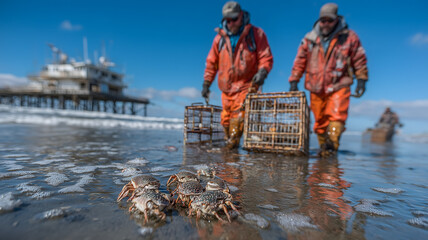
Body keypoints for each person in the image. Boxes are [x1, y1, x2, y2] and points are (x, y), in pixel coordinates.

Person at [288, 3, 368, 156]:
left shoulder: (349, 37)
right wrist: (294, 80)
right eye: (323, 20)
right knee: (319, 121)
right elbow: (300, 60)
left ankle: (332, 146)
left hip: (339, 84)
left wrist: (361, 79)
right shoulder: (309, 39)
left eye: (329, 20)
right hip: (316, 86)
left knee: (337, 115)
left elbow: (359, 58)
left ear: (336, 19)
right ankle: (324, 148)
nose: (326, 24)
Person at [202, 1, 273, 149]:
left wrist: (263, 72)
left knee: (238, 117)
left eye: (234, 19)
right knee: (225, 120)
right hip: (226, 88)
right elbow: (211, 63)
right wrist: (207, 83)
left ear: (241, 15)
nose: (231, 23)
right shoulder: (219, 39)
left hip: (246, 85)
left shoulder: (255, 34)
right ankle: (230, 150)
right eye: (228, 20)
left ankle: (232, 147)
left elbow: (265, 57)